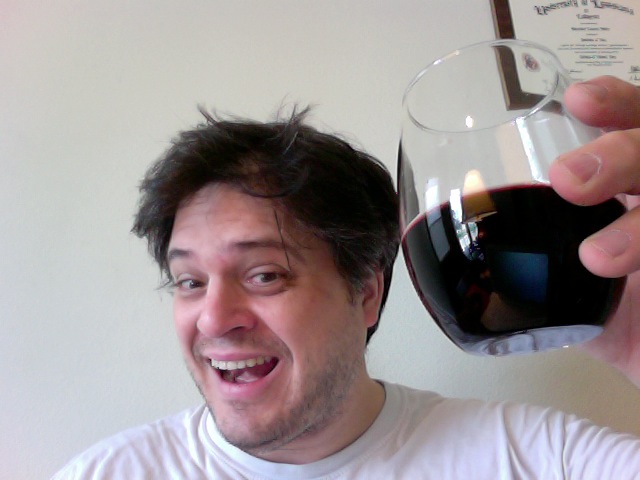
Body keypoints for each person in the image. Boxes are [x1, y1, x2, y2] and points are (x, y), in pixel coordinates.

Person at [53, 76, 640, 479]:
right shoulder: (108, 473)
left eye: (264, 275)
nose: (212, 319)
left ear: (366, 292)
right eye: (189, 282)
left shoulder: (534, 458)